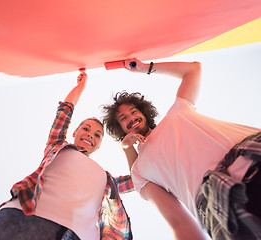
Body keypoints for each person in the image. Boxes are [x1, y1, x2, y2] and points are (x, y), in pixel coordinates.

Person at [102, 58, 261, 240]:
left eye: (133, 111)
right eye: (123, 118)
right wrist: (126, 147)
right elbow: (178, 222)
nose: (131, 117)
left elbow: (193, 70)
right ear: (120, 128)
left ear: (144, 112)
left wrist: (145, 68)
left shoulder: (177, 112)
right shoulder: (140, 171)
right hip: (220, 200)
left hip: (251, 154)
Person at [0, 70, 134, 240]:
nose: (90, 135)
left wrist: (129, 147)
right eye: (86, 129)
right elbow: (64, 113)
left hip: (75, 234)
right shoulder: (57, 147)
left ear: (99, 145)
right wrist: (80, 87)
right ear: (75, 132)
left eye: (97, 135)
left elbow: (139, 178)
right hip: (26, 217)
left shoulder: (106, 180)